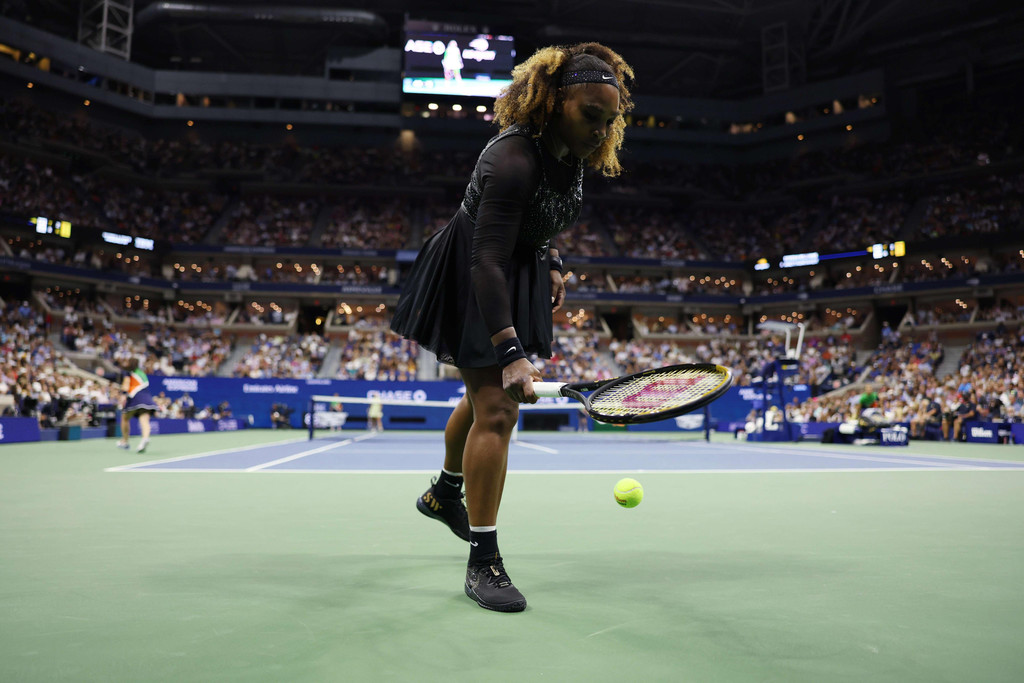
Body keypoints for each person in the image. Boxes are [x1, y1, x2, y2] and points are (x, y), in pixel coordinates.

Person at [390, 43, 634, 612]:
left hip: (518, 265)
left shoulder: (572, 151)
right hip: (476, 270)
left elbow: (541, 216)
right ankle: (483, 561)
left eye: (610, 120)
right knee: (499, 408)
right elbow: (485, 260)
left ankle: (444, 492)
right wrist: (510, 352)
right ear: (554, 102)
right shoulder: (513, 159)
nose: (600, 131)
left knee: (483, 400)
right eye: (590, 115)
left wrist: (551, 260)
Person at [115, 357, 158, 453]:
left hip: (135, 398)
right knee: (144, 420)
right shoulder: (142, 373)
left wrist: (123, 394)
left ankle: (125, 441)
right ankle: (145, 438)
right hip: (147, 398)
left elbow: (126, 386)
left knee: (125, 418)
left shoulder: (128, 372)